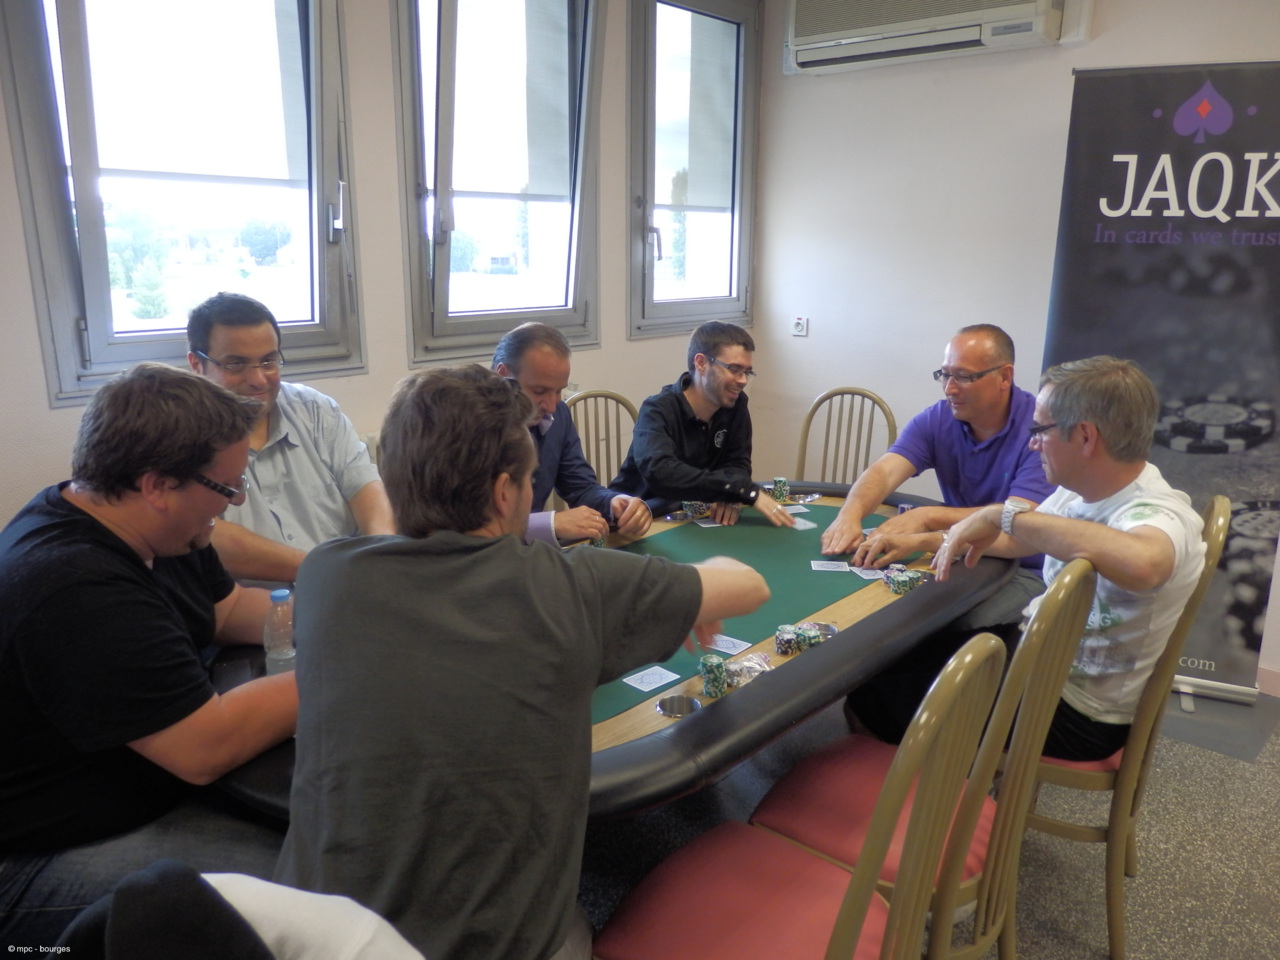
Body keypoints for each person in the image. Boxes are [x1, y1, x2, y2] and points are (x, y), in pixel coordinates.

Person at [275, 365, 769, 960]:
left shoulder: (325, 575)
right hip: (496, 948)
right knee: (575, 926)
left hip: (310, 937)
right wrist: (688, 589)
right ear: (505, 492)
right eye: (532, 480)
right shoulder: (572, 585)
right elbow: (748, 587)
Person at [0, 363, 298, 946]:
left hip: (138, 793)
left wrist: (347, 615)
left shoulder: (159, 530)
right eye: (227, 488)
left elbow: (227, 611)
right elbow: (205, 748)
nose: (235, 501)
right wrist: (344, 666)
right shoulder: (74, 586)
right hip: (34, 857)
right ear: (157, 485)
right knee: (296, 879)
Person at [934, 356, 1205, 761]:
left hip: (1077, 713)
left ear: (1085, 436)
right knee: (914, 655)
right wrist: (934, 540)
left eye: (1040, 430)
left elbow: (1146, 563)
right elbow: (1019, 540)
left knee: (877, 692)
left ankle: (940, 794)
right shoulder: (1084, 489)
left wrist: (1000, 514)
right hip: (1041, 658)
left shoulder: (1159, 512)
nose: (1033, 443)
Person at [825, 325, 1053, 741]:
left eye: (964, 376)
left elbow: (1018, 521)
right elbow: (884, 471)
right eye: (944, 374)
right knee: (890, 618)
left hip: (1024, 568)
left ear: (1004, 377)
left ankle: (938, 743)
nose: (950, 388)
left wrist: (929, 518)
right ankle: (876, 725)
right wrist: (849, 514)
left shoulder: (1038, 429)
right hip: (963, 555)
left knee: (934, 633)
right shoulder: (939, 417)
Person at [187, 292, 394, 584]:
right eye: (236, 364)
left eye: (268, 361)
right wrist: (326, 572)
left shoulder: (315, 410)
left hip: (351, 586)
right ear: (197, 364)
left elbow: (365, 487)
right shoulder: (180, 436)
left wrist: (384, 555)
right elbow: (207, 535)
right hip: (256, 603)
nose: (258, 380)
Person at [610, 320, 794, 528]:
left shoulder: (736, 404)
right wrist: (740, 490)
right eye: (734, 369)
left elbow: (737, 463)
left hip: (691, 518)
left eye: (747, 372)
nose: (743, 380)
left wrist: (729, 496)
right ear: (701, 363)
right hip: (634, 522)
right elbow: (661, 473)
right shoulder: (657, 409)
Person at [492, 322, 650, 545]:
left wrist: (614, 502)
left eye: (559, 391)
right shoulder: (468, 427)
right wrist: (550, 523)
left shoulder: (559, 416)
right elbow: (464, 529)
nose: (551, 405)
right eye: (539, 391)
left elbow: (580, 487)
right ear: (503, 375)